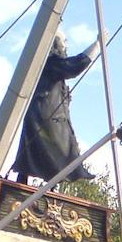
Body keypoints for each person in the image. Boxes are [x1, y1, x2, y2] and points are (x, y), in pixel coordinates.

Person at [13, 32, 100, 183]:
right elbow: (74, 66)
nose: (66, 45)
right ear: (55, 44)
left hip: (46, 118)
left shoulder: (48, 67)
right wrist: (97, 45)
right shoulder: (50, 63)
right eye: (64, 41)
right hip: (48, 121)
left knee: (42, 152)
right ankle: (47, 186)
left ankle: (38, 183)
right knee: (59, 152)